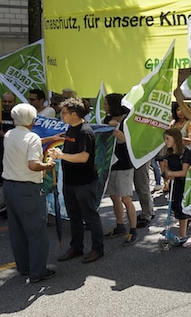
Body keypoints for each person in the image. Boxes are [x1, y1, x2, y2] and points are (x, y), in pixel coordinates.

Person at [2, 103, 56, 282]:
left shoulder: (9, 134)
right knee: (36, 231)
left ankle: (23, 266)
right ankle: (38, 271)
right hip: (28, 187)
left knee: (17, 229)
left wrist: (49, 139)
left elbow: (22, 144)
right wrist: (48, 165)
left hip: (10, 186)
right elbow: (33, 164)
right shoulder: (32, 137)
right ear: (32, 120)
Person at [51, 98, 105, 263]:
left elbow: (83, 157)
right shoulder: (70, 128)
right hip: (70, 181)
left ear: (74, 114)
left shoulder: (85, 132)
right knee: (74, 216)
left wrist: (61, 155)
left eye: (64, 112)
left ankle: (97, 249)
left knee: (90, 216)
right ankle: (76, 247)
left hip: (84, 182)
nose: (62, 115)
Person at [102, 93, 138, 245]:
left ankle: (133, 230)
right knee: (114, 196)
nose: (104, 107)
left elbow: (131, 142)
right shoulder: (106, 119)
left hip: (124, 164)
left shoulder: (128, 121)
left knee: (126, 198)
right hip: (111, 164)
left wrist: (121, 136)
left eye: (106, 104)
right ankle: (120, 226)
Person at [161, 127, 191, 247]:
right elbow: (167, 166)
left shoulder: (185, 153)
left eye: (168, 139)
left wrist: (170, 174)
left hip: (186, 184)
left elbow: (184, 172)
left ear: (175, 138)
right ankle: (183, 235)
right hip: (176, 184)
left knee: (188, 207)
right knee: (177, 207)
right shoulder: (170, 152)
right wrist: (167, 172)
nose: (166, 141)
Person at [0, 92, 17, 179]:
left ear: (14, 102)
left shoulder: (18, 116)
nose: (7, 104)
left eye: (9, 102)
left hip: (11, 151)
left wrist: (6, 134)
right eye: (5, 101)